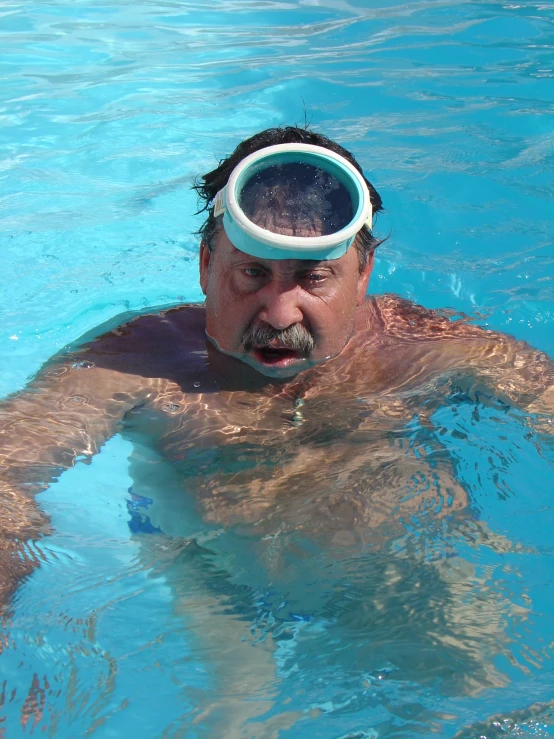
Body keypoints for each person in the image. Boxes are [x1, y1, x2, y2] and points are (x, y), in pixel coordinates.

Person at [1, 126, 553, 728]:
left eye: (314, 278)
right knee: (235, 720)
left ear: (364, 272)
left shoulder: (419, 347)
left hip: (397, 571)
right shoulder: (136, 363)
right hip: (210, 571)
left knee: (488, 705)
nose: (280, 312)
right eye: (252, 274)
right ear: (208, 264)